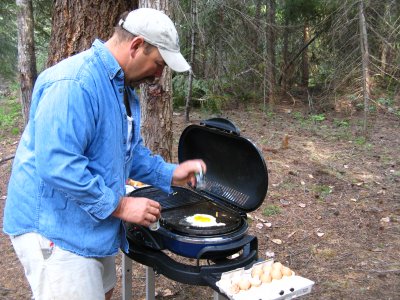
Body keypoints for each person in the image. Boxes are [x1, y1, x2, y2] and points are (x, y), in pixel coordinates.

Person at [3, 8, 206, 300]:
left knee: (104, 290)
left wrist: (171, 173)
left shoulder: (119, 86)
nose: (159, 75)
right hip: (55, 230)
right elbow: (58, 165)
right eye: (159, 63)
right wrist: (122, 207)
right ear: (136, 46)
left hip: (91, 224)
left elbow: (125, 150)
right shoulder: (75, 83)